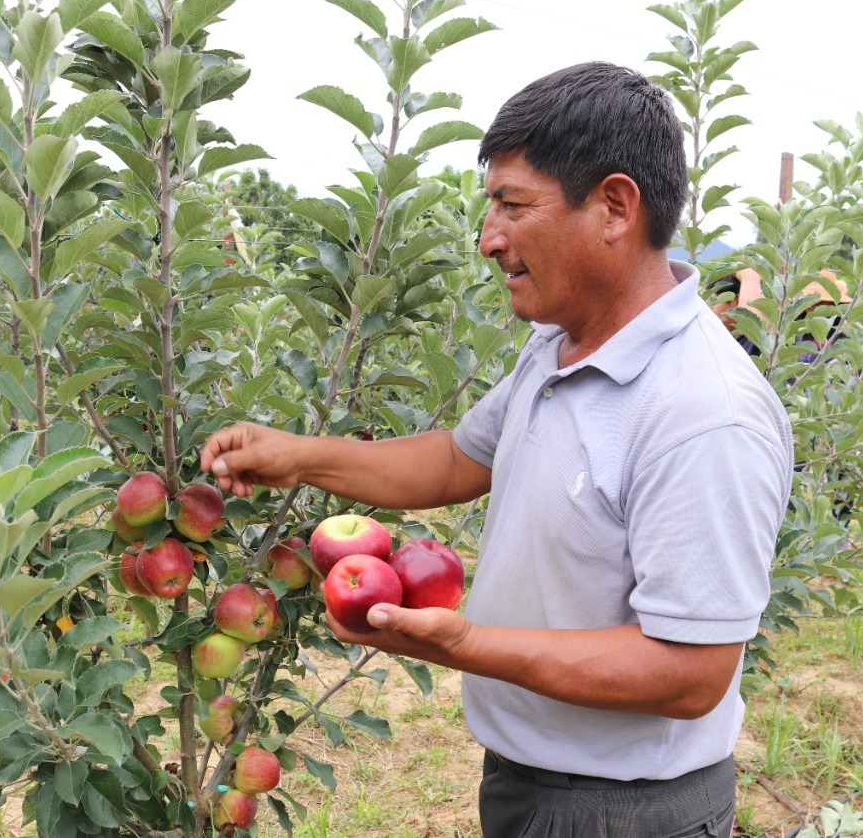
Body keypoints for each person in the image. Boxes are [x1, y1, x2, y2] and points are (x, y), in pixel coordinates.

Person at [200, 62, 793, 838]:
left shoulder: (704, 411)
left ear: (615, 207)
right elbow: (455, 460)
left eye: (513, 205)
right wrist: (298, 454)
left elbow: (690, 672)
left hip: (625, 811)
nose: (489, 239)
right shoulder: (559, 345)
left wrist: (465, 644)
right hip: (526, 782)